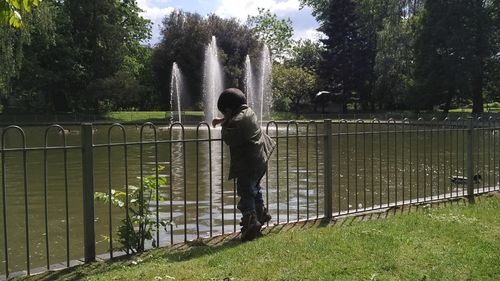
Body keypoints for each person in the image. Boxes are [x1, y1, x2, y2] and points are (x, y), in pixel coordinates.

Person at [212, 88, 276, 241]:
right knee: (254, 188)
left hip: (249, 163)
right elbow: (235, 118)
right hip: (261, 160)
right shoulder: (249, 112)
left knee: (245, 190)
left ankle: (251, 221)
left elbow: (228, 138)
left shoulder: (236, 122)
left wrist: (223, 125)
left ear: (228, 110)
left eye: (225, 113)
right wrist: (224, 119)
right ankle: (260, 212)